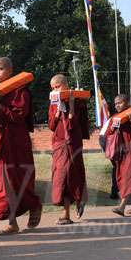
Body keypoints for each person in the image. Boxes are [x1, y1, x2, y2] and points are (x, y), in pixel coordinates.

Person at [0, 57, 42, 235]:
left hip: (16, 142)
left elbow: (19, 116)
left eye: (0, 69)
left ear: (10, 70)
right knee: (2, 182)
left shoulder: (20, 91)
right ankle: (12, 223)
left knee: (18, 180)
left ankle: (34, 204)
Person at [48, 74, 89, 225]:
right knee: (61, 177)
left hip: (72, 143)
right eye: (52, 88)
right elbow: (52, 126)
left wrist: (71, 105)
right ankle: (66, 212)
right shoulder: (53, 103)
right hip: (59, 144)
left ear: (65, 85)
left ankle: (79, 200)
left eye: (57, 87)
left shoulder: (77, 101)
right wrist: (58, 112)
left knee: (73, 174)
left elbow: (73, 124)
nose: (55, 90)